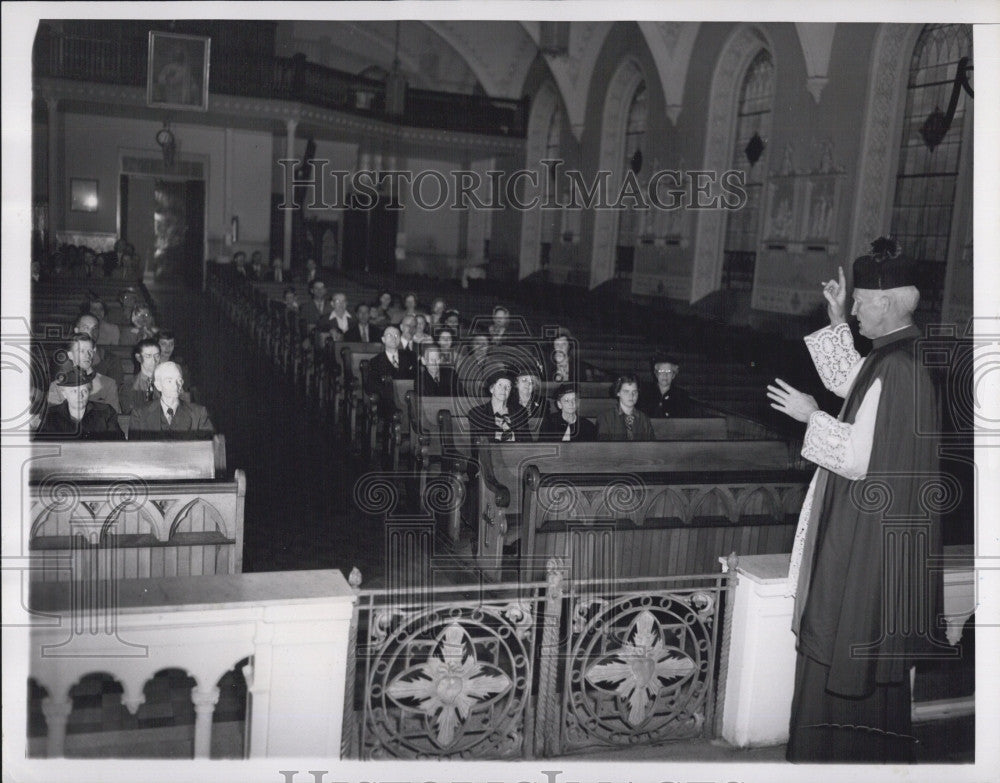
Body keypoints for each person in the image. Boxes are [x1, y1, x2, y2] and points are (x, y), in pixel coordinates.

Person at [766, 239, 944, 763]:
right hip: (878, 535)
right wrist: (837, 316)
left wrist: (809, 415)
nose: (859, 308)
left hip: (865, 543)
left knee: (843, 635)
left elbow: (857, 456)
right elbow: (854, 384)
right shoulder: (896, 357)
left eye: (863, 300)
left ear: (888, 302)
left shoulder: (899, 368)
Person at [128, 362, 214, 439]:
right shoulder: (140, 414)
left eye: (179, 380)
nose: (176, 385)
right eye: (169, 381)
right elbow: (134, 451)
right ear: (158, 385)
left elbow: (207, 450)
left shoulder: (198, 413)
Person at [36, 368, 124, 440]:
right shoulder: (51, 416)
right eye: (74, 391)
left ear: (89, 392)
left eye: (84, 391)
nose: (80, 396)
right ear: (64, 394)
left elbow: (118, 445)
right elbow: (40, 449)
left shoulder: (105, 412)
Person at [47, 333, 121, 413]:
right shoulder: (57, 385)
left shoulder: (108, 384)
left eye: (90, 351)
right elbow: (52, 418)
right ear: (70, 355)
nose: (87, 355)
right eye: (81, 351)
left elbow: (113, 417)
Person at [468, 370, 531, 442]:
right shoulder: (477, 413)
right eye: (500, 385)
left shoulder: (520, 412)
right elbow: (479, 445)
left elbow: (528, 442)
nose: (503, 389)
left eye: (508, 386)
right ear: (492, 389)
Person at [596, 374, 654, 441]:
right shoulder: (605, 418)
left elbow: (651, 446)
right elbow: (602, 447)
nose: (631, 396)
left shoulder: (644, 419)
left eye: (634, 392)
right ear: (618, 393)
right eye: (626, 392)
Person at [119, 338, 161, 414]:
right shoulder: (128, 386)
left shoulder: (167, 382)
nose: (154, 361)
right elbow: (129, 413)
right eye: (148, 356)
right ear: (139, 358)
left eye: (156, 356)